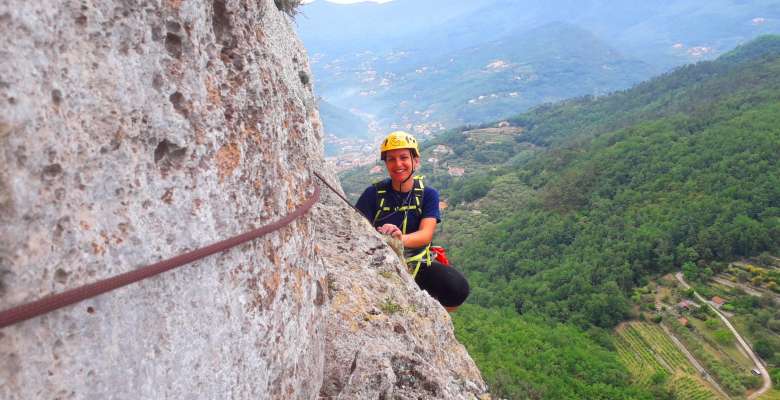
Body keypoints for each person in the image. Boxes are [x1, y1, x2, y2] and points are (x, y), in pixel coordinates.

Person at [355, 131, 470, 311]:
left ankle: (433, 318)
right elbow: (357, 230)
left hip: (417, 262)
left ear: (415, 161)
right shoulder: (373, 194)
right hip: (381, 259)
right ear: (385, 164)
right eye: (391, 159)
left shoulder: (427, 194)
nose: (398, 164)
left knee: (458, 289)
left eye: (403, 158)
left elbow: (426, 234)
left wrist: (398, 239)